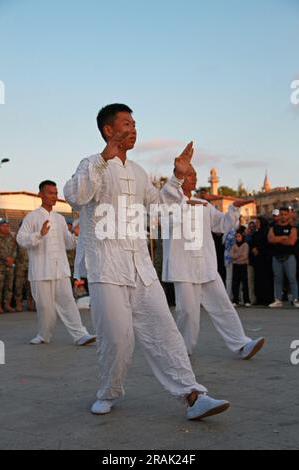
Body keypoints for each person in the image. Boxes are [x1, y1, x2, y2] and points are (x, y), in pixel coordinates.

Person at [64, 103, 230, 421]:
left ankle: (193, 395)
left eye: (135, 123)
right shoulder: (90, 164)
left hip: (141, 267)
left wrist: (177, 179)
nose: (133, 128)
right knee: (117, 338)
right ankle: (108, 392)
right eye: (126, 123)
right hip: (106, 267)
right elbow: (76, 196)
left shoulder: (139, 172)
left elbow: (161, 210)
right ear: (108, 130)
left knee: (164, 331)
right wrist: (103, 157)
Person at [162, 166, 264, 357]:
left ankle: (242, 344)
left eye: (195, 174)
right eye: (189, 174)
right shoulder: (168, 201)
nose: (194, 177)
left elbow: (223, 225)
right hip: (182, 266)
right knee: (188, 313)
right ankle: (182, 352)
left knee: (223, 306)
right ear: (179, 177)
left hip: (206, 265)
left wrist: (234, 208)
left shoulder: (204, 204)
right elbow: (168, 206)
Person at [17, 180, 96, 345]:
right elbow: (21, 239)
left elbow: (68, 243)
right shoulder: (31, 218)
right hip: (40, 270)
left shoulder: (60, 219)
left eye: (55, 193)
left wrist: (77, 235)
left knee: (68, 303)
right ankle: (44, 335)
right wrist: (39, 234)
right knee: (46, 309)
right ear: (41, 194)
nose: (54, 196)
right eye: (50, 193)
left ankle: (80, 335)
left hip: (60, 269)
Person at [268, 207, 299, 308]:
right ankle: (278, 300)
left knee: (292, 278)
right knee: (277, 279)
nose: (283, 216)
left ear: (288, 215)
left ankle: (295, 299)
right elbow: (270, 239)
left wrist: (277, 239)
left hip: (289, 256)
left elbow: (291, 241)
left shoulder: (292, 228)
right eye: (281, 214)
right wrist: (283, 238)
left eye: (285, 214)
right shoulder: (273, 228)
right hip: (276, 257)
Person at [250, 217, 274, 306]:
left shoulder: (267, 232)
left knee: (266, 279)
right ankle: (259, 298)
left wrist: (259, 249)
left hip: (266, 259)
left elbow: (268, 244)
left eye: (258, 222)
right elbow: (252, 243)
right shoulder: (256, 233)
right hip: (257, 260)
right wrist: (253, 249)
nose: (256, 223)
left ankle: (267, 299)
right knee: (258, 279)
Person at [0, 219, 16, 313]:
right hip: (0, 265)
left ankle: (7, 304)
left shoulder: (11, 237)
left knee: (9, 286)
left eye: (7, 226)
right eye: (3, 226)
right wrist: (6, 259)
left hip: (10, 265)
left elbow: (15, 249)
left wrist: (12, 258)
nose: (6, 228)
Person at [14, 236, 35, 312]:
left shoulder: (32, 238)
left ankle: (30, 303)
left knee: (30, 285)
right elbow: (13, 250)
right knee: (18, 285)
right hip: (20, 265)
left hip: (30, 265)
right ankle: (18, 303)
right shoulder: (18, 238)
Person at [231, 230, 251, 307]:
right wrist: (238, 255)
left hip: (243, 265)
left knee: (245, 283)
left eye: (239, 236)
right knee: (235, 283)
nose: (237, 238)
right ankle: (235, 300)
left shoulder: (245, 245)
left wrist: (236, 257)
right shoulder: (234, 245)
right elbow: (231, 255)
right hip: (235, 266)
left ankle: (246, 300)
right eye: (236, 236)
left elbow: (245, 256)